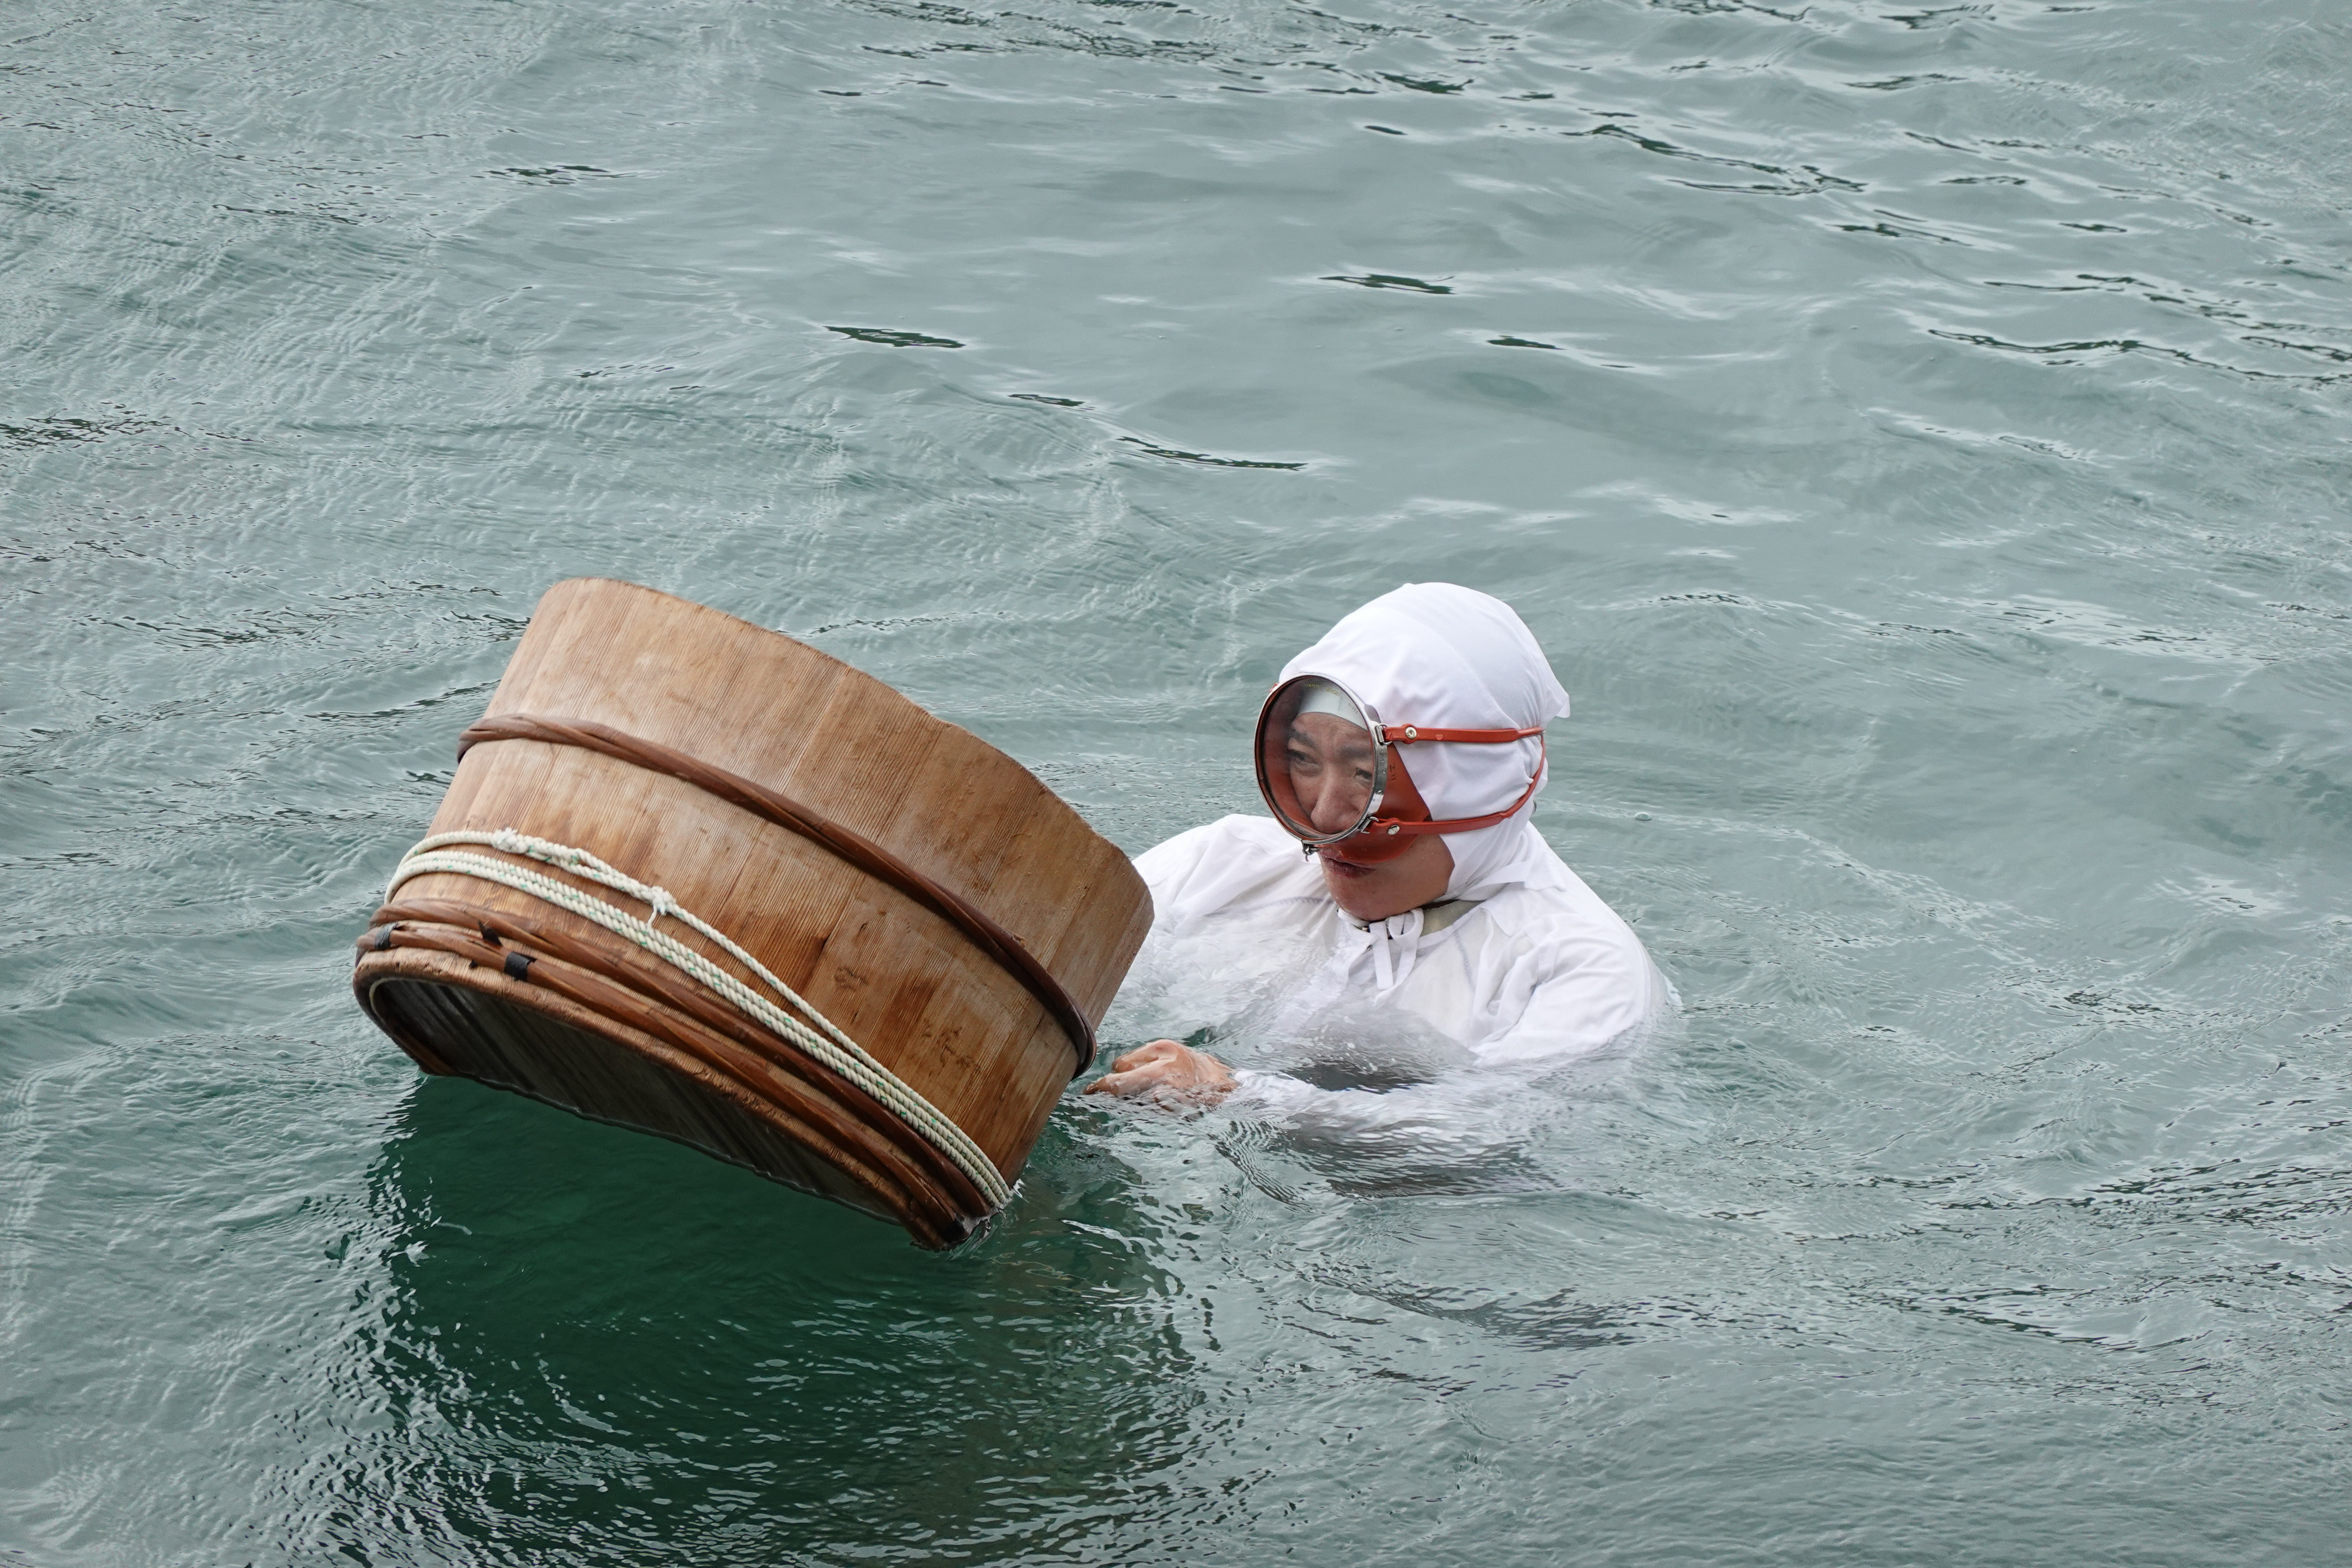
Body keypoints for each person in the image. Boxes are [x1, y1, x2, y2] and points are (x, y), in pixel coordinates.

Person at [1087, 582, 1669, 1110]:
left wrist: (1240, 1096)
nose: (1324, 814)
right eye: (1303, 762)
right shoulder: (1217, 865)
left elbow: (1496, 1132)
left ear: (1475, 786)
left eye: (1367, 774)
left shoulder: (1583, 970)